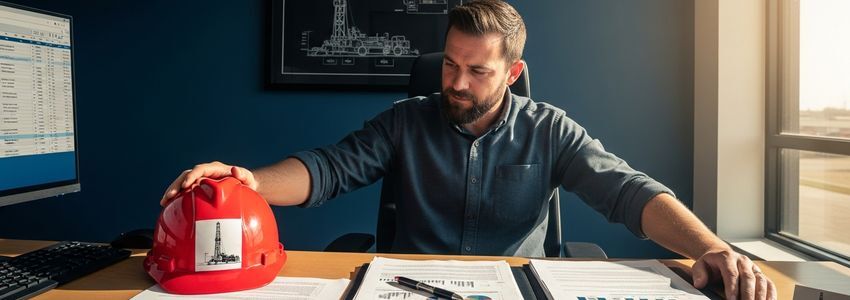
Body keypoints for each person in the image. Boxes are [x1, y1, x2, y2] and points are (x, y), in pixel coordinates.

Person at [160, 1, 775, 299]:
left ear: (512, 73)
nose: (454, 82)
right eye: (449, 63)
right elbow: (326, 169)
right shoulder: (405, 121)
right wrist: (246, 181)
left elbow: (628, 192)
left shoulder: (550, 130)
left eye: (476, 71)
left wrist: (713, 248)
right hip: (409, 290)